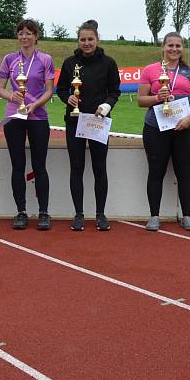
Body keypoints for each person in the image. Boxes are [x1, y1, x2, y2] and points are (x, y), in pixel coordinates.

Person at [137, 31, 190, 232]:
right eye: (170, 45)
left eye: (178, 46)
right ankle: (154, 216)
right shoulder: (151, 70)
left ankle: (187, 216)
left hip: (186, 128)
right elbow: (141, 100)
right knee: (155, 171)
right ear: (163, 47)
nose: (174, 49)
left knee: (184, 172)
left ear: (182, 48)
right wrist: (158, 97)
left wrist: (189, 119)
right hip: (156, 127)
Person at [56, 19, 120, 232]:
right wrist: (68, 99)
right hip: (75, 121)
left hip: (98, 122)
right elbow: (62, 89)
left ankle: (100, 214)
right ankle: (79, 214)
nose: (86, 43)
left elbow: (115, 92)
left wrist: (106, 106)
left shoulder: (109, 63)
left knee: (99, 168)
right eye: (82, 39)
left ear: (97, 39)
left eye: (90, 39)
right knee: (77, 168)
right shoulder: (69, 63)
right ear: (78, 41)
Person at [0, 19, 56, 230]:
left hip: (38, 116)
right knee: (17, 165)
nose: (24, 37)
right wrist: (12, 97)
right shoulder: (9, 59)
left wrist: (35, 105)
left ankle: (43, 212)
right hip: (14, 117)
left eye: (29, 33)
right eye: (21, 33)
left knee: (40, 166)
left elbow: (49, 90)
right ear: (17, 36)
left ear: (36, 36)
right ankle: (21, 211)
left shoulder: (46, 59)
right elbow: (0, 89)